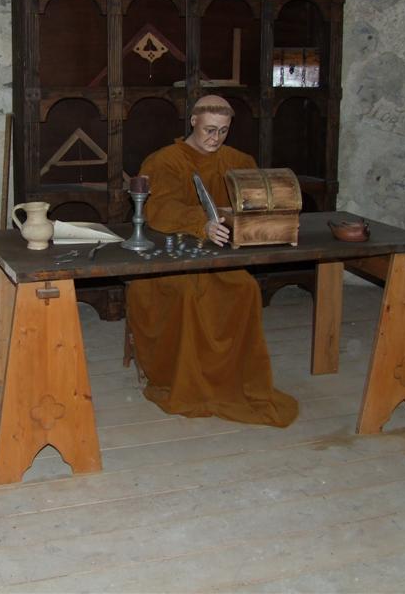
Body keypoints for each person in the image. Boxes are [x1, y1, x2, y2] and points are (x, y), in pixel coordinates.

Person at [126, 95, 299, 427]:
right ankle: (184, 376)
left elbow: (256, 199)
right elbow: (159, 209)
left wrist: (271, 217)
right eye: (208, 129)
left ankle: (229, 375)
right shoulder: (164, 161)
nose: (215, 138)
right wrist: (201, 224)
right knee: (189, 294)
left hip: (221, 256)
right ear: (193, 121)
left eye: (222, 131)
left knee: (246, 288)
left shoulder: (238, 160)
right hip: (170, 257)